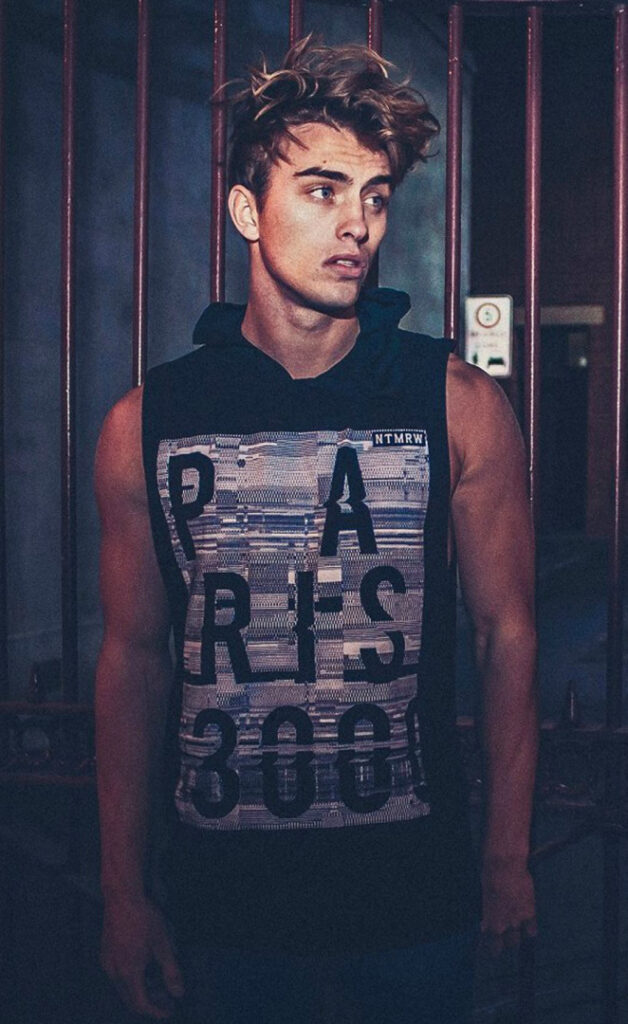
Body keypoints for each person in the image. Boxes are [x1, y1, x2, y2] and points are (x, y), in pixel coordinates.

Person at [94, 37, 537, 1024]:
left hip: (412, 897)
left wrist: (508, 859)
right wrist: (123, 891)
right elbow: (133, 659)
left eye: (375, 196)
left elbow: (506, 635)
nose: (356, 224)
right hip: (223, 904)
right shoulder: (147, 424)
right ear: (248, 211)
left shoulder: (457, 404)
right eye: (323, 190)